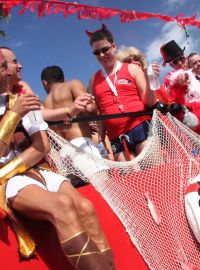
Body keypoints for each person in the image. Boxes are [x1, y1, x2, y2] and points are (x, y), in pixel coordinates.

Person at [0, 48, 115, 269]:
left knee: (86, 207)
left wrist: (69, 110)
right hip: (7, 181)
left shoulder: (22, 99)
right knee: (62, 204)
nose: (9, 70)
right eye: (4, 66)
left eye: (7, 65)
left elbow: (41, 146)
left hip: (38, 169)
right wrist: (14, 114)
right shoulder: (19, 105)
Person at [87, 24, 156, 161]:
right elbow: (100, 114)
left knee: (155, 171)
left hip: (140, 126)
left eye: (105, 49)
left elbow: (149, 101)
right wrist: (101, 140)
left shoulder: (132, 69)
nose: (101, 54)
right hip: (116, 137)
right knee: (131, 180)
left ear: (114, 46)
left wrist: (150, 80)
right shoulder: (93, 80)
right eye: (96, 52)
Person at [41, 65, 109, 186]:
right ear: (63, 78)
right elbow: (90, 108)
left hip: (62, 153)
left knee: (81, 192)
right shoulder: (72, 84)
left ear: (44, 82)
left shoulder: (44, 103)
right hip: (81, 145)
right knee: (104, 185)